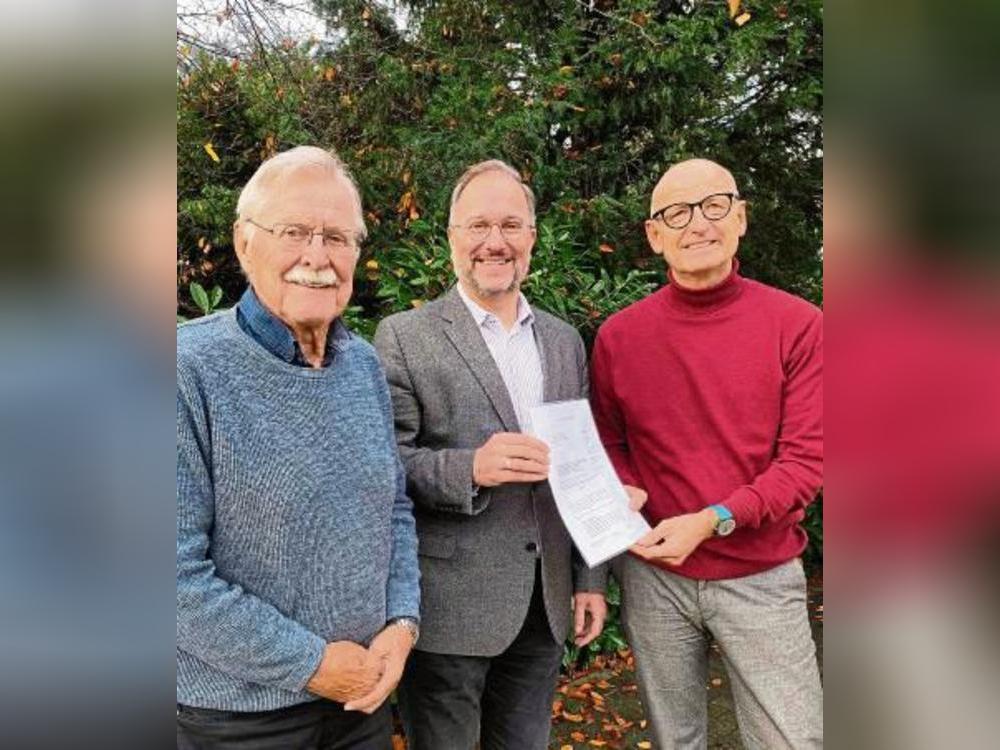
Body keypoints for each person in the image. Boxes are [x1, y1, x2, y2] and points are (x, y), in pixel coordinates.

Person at [176, 146, 420, 749]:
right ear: (243, 243)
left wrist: (402, 625)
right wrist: (312, 664)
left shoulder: (363, 365)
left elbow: (394, 510)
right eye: (294, 232)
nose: (318, 257)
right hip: (239, 718)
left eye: (338, 237)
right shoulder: (182, 370)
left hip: (360, 700)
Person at [373, 159, 607, 750]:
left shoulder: (563, 339)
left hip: (544, 601)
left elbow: (581, 466)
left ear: (532, 236)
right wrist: (469, 468)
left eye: (511, 224)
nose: (494, 242)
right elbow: (385, 462)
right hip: (450, 605)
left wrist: (590, 579)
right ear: (451, 238)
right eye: (477, 226)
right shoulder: (404, 335)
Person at [590, 158, 823, 749]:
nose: (697, 224)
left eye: (714, 206)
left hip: (761, 575)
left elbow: (803, 465)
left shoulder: (798, 326)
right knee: (678, 741)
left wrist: (714, 519)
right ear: (654, 234)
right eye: (677, 212)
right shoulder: (620, 337)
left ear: (740, 217)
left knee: (793, 740)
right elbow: (608, 442)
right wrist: (622, 486)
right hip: (654, 577)